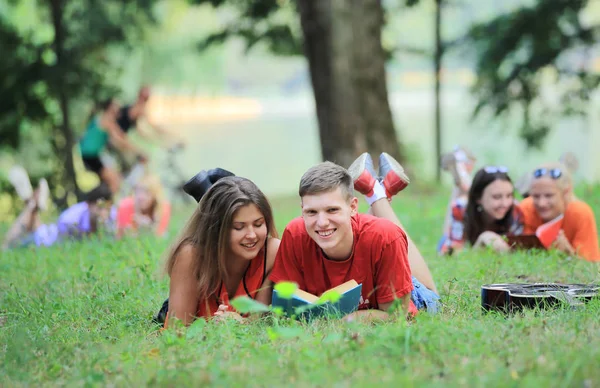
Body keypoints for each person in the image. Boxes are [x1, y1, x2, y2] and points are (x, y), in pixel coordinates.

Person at [269, 153, 439, 322]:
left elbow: (396, 316)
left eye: (332, 210)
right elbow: (287, 306)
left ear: (353, 207)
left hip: (401, 288)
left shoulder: (386, 237)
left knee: (429, 292)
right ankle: (379, 191)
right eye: (311, 212)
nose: (321, 222)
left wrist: (352, 319)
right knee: (365, 233)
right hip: (371, 258)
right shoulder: (295, 233)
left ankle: (377, 196)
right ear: (302, 210)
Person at [164, 176, 281, 326]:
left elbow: (258, 324)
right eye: (239, 227)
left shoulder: (271, 253)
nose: (252, 235)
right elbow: (176, 331)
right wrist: (213, 329)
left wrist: (239, 324)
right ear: (216, 229)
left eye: (258, 224)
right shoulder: (191, 255)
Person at [2, 166, 112, 250]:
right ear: (88, 204)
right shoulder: (71, 219)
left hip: (47, 232)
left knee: (35, 222)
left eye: (106, 208)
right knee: (13, 245)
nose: (103, 212)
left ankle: (31, 202)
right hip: (46, 240)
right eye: (99, 208)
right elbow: (64, 242)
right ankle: (31, 204)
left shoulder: (111, 216)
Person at [518, 162, 599, 262]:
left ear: (566, 193)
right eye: (536, 196)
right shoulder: (525, 208)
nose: (541, 203)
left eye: (549, 196)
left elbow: (591, 264)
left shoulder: (581, 213)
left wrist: (569, 253)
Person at [439, 166, 524, 254]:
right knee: (443, 241)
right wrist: (482, 240)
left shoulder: (515, 209)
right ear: (478, 197)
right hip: (459, 237)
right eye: (497, 197)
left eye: (509, 196)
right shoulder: (460, 208)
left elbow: (516, 249)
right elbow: (451, 251)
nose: (505, 203)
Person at [79, 98, 147, 195]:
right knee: (115, 181)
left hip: (92, 155)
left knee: (112, 180)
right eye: (116, 108)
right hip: (90, 156)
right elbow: (121, 140)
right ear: (110, 109)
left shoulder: (102, 118)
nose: (119, 110)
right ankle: (108, 205)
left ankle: (104, 203)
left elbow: (118, 142)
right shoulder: (107, 120)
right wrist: (140, 151)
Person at [113, 174, 172, 239]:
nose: (140, 197)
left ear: (155, 194)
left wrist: (149, 226)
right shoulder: (125, 206)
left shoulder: (163, 207)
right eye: (138, 191)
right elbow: (120, 237)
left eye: (147, 192)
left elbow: (160, 235)